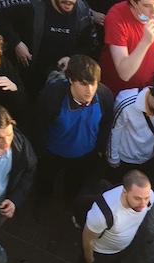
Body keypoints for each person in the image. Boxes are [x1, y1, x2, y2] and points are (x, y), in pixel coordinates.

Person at [67, 168, 153, 263]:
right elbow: (88, 238)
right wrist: (90, 260)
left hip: (122, 248)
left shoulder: (149, 197)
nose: (144, 203)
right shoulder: (102, 213)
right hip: (100, 252)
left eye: (146, 198)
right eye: (138, 198)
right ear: (124, 192)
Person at [35, 55, 114, 202]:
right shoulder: (50, 97)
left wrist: (100, 149)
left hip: (85, 155)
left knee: (74, 185)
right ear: (71, 80)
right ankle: (43, 200)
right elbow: (40, 126)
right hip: (53, 153)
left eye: (94, 83)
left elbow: (106, 124)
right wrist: (40, 153)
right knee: (45, 182)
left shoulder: (104, 96)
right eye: (84, 84)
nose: (90, 90)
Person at [0, 0, 99, 98]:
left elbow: (90, 44)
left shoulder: (81, 10)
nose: (69, 1)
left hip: (60, 83)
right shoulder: (30, 4)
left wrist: (72, 58)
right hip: (28, 78)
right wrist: (16, 42)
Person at [0, 105, 36, 263]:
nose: (6, 141)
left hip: (3, 201)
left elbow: (30, 170)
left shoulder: (20, 145)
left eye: (9, 134)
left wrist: (15, 199)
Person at [98, 0, 154, 96]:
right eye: (147, 6)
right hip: (115, 91)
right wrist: (145, 41)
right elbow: (125, 74)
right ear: (133, 3)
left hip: (145, 89)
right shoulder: (116, 17)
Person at [106, 83, 154, 172]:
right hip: (125, 159)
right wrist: (113, 158)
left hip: (148, 156)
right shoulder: (126, 104)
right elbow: (114, 131)